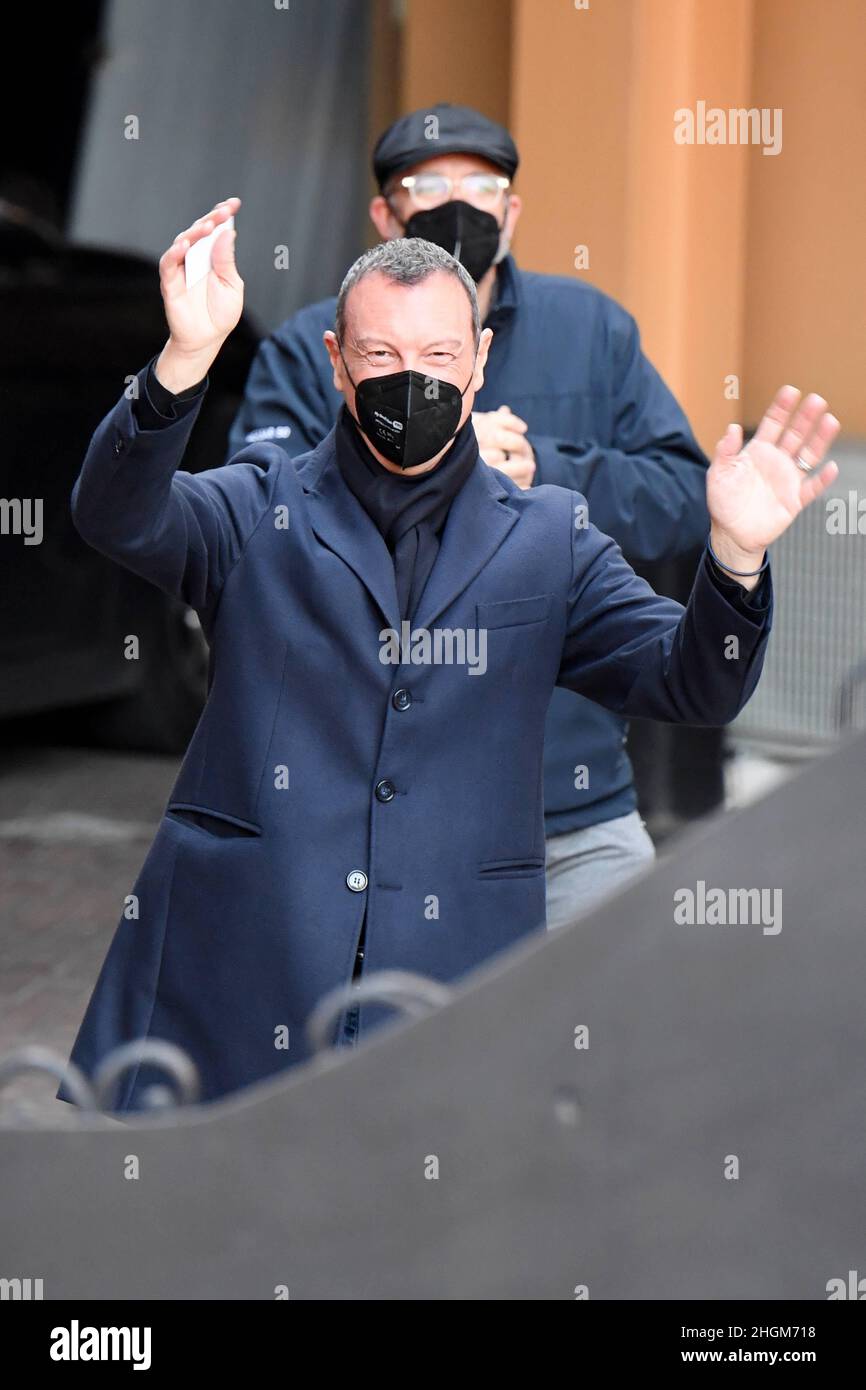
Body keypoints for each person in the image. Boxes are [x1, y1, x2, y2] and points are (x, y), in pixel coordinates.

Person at [60, 197, 838, 1113]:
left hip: (450, 975)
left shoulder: (550, 536)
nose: (411, 380)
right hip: (239, 964)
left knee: (421, 1239)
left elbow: (691, 684)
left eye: (437, 356)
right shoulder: (255, 506)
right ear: (338, 366)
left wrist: (736, 558)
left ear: (478, 365)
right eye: (382, 356)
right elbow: (116, 514)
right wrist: (184, 360)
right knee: (203, 1233)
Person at [227, 103, 715, 927]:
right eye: (426, 185)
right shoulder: (314, 342)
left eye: (481, 186)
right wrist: (407, 455)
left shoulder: (592, 329)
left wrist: (545, 469)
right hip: (361, 813)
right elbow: (251, 518)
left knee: (593, 1041)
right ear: (385, 215)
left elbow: (683, 498)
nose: (458, 204)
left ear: (511, 211)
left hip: (571, 808)